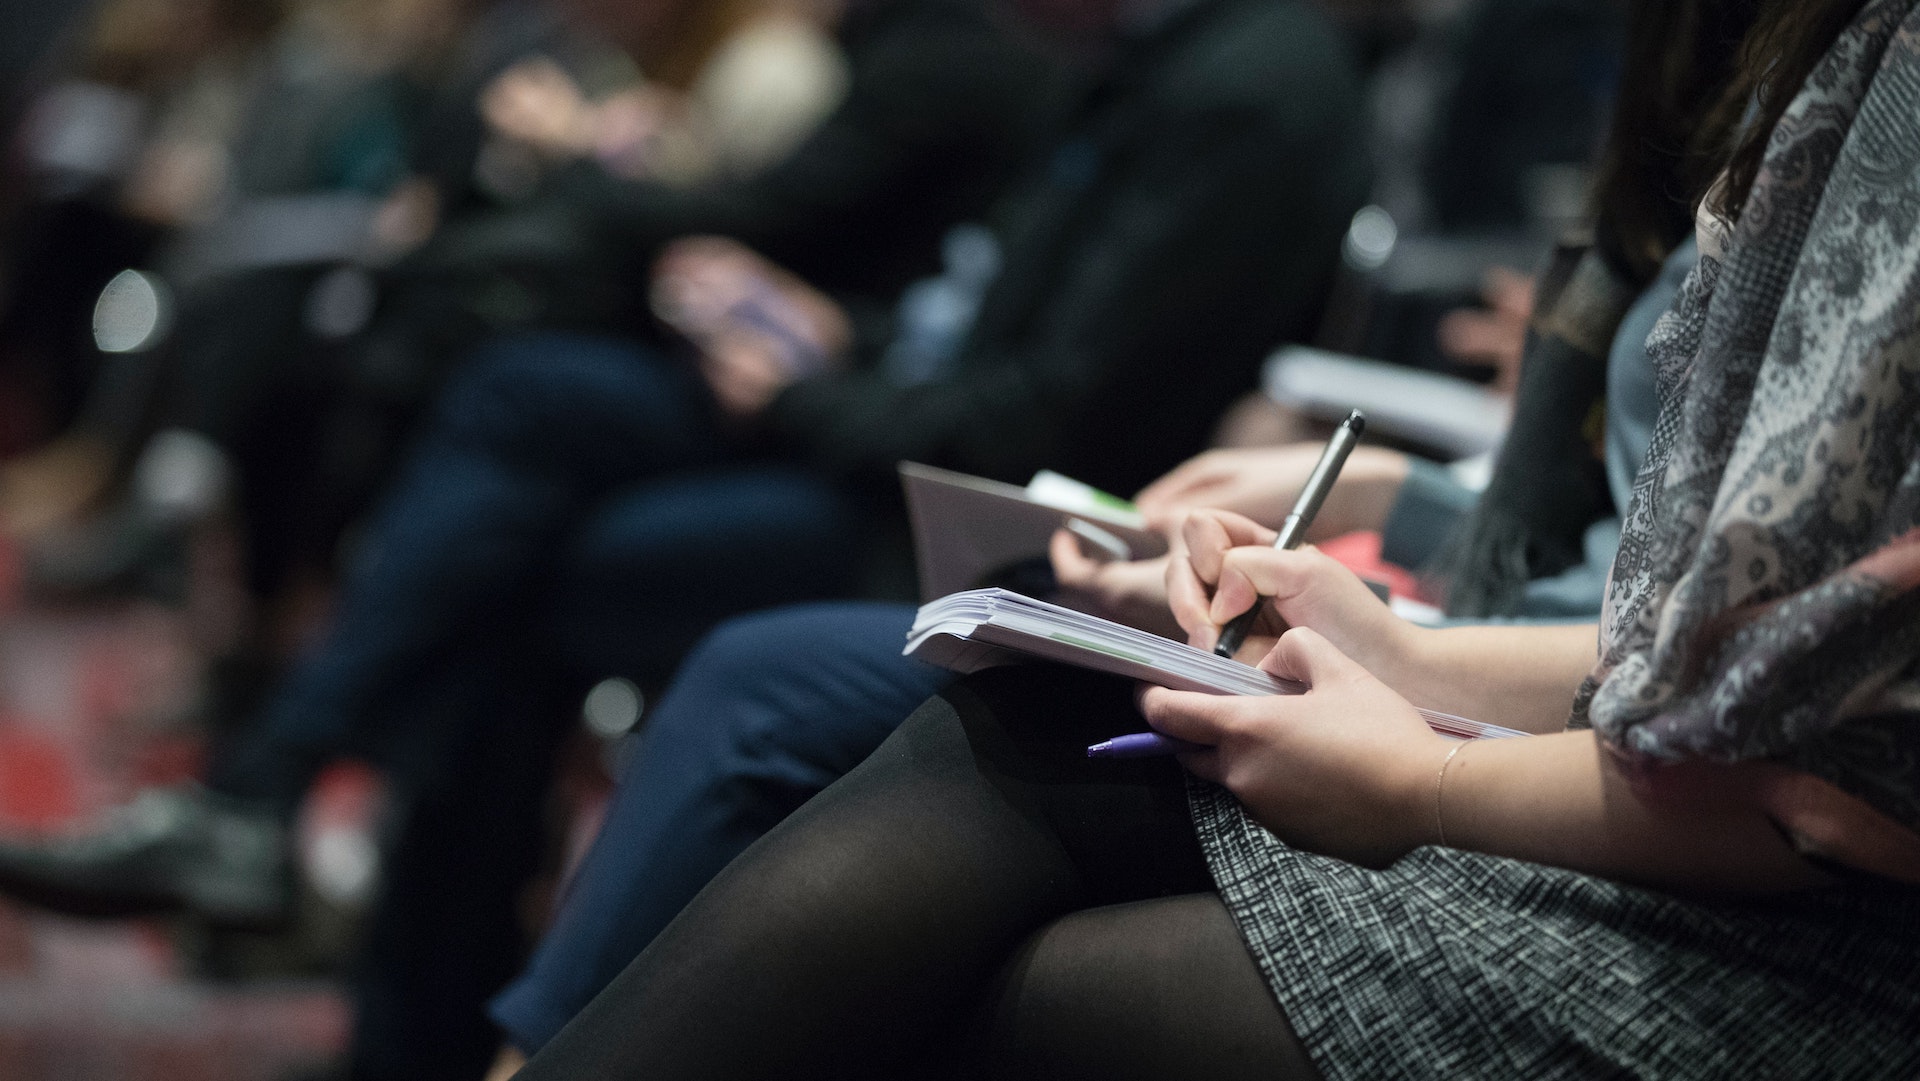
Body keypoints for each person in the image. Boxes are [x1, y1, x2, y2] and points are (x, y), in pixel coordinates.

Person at [506, 0, 1920, 1076]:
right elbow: (1685, 644)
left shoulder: (1254, 77)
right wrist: (1380, 623)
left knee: (974, 922)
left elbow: (1811, 772)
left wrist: (1426, 758)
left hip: (1804, 940)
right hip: (1608, 740)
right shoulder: (1796, 62)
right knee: (1000, 709)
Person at [0, 0, 1372, 1076]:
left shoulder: (1224, 82)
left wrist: (809, 382)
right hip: (900, 437)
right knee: (515, 401)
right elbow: (968, 316)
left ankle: (391, 958)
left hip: (1000, 522)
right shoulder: (1130, 50)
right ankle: (332, 891)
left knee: (529, 563)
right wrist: (834, 339)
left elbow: (1040, 412)